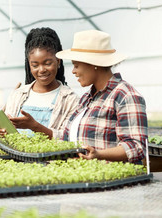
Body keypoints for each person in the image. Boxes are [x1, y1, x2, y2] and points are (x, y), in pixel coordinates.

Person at [56, 30, 147, 163]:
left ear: (94, 64)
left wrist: (99, 154)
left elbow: (136, 146)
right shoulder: (86, 98)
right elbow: (68, 136)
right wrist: (36, 127)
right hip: (83, 177)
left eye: (76, 65)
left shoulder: (126, 96)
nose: (73, 71)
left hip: (112, 181)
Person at [0, 27, 80, 139]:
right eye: (35, 65)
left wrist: (35, 126)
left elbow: (70, 138)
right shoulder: (18, 95)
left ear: (58, 62)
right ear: (29, 65)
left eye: (47, 63)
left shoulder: (71, 100)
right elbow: (8, 136)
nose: (41, 70)